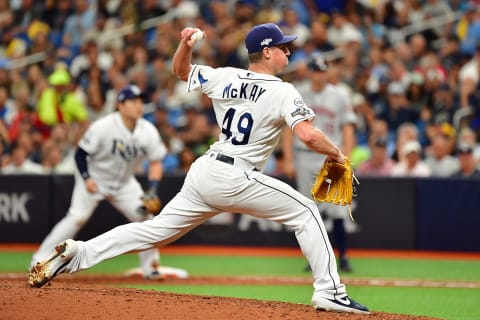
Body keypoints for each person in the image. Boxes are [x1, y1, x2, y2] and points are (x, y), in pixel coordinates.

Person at [28, 23, 369, 314]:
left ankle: (78, 253)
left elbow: (180, 71)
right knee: (307, 211)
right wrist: (337, 152)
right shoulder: (283, 91)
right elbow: (308, 135)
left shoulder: (224, 76)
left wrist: (184, 45)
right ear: (266, 52)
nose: (288, 53)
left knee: (155, 231)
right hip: (236, 175)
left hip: (205, 171)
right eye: (283, 48)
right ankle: (330, 291)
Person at [30, 84, 187, 280]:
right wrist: (87, 179)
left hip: (124, 183)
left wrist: (153, 189)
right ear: (120, 105)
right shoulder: (103, 126)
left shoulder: (148, 131)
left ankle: (150, 268)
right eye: (133, 101)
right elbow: (81, 154)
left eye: (140, 101)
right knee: (77, 217)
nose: (138, 105)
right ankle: (38, 260)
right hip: (95, 178)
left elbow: (156, 162)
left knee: (146, 219)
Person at [282, 55, 356, 272]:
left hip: (331, 156)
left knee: (338, 208)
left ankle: (342, 256)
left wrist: (346, 157)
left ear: (328, 72)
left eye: (323, 71)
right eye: (316, 70)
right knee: (308, 209)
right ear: (310, 72)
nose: (319, 75)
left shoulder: (340, 95)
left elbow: (348, 127)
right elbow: (288, 128)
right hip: (304, 155)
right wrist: (287, 158)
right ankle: (315, 258)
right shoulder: (298, 93)